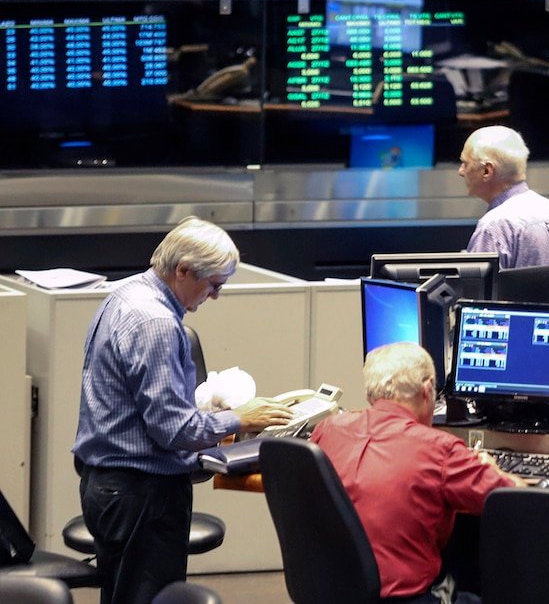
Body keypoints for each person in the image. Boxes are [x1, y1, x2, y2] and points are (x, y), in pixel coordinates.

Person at [72, 217, 293, 604]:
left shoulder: (126, 295)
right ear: (184, 270)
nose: (215, 296)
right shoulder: (156, 322)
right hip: (142, 493)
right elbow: (172, 430)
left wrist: (205, 412)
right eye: (213, 284)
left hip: (108, 484)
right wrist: (241, 418)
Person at [311, 342, 525, 603]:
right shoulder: (439, 448)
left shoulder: (328, 429)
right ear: (427, 389)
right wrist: (492, 468)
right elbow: (516, 501)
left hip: (331, 592)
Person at [459, 125, 549, 268]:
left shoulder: (494, 228)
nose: (461, 171)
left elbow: (476, 283)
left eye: (465, 163)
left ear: (487, 171)